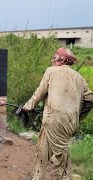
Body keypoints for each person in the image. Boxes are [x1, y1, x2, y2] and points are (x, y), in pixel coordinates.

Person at [21, 47, 93, 180]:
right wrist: (78, 116)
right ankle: (37, 177)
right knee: (42, 151)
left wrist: (26, 107)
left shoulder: (51, 71)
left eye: (54, 57)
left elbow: (39, 93)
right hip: (68, 122)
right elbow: (90, 99)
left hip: (54, 120)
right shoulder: (78, 77)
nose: (52, 60)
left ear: (62, 59)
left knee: (61, 159)